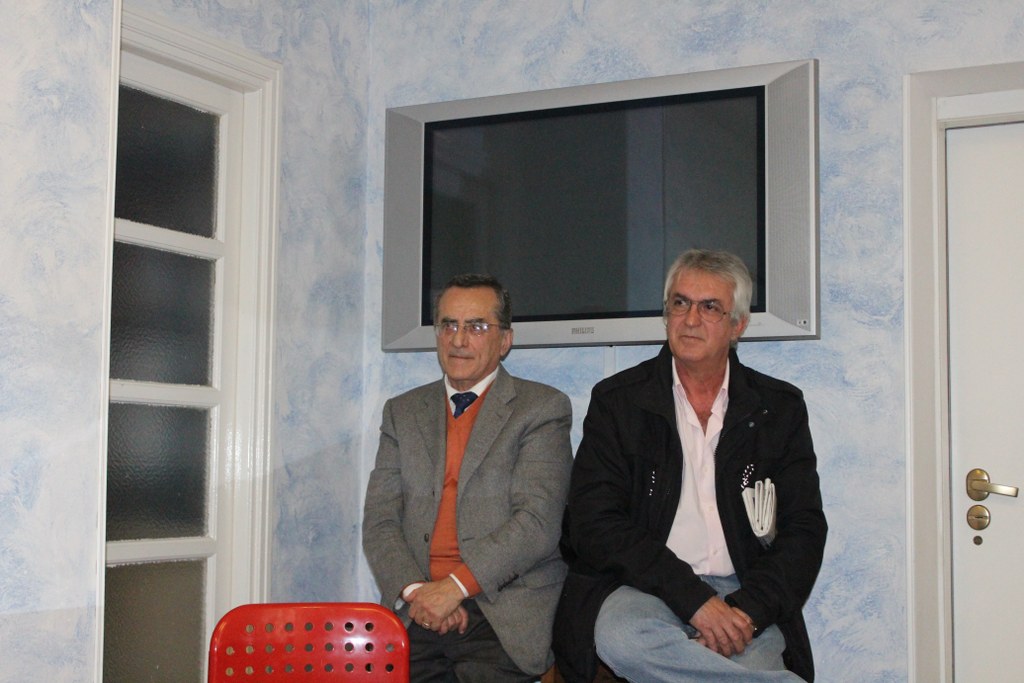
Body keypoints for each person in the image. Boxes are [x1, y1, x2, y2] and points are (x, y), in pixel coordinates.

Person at [553, 249, 827, 683]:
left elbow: (804, 531)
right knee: (622, 638)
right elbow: (594, 523)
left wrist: (746, 613)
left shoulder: (778, 409)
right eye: (680, 303)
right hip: (646, 589)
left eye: (710, 307)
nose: (691, 319)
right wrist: (694, 600)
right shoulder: (619, 402)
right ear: (666, 314)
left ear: (738, 325)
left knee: (753, 663)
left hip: (744, 594)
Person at [363, 273, 574, 683]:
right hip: (417, 608)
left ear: (505, 340)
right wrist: (419, 593)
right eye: (448, 325)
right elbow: (379, 521)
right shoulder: (402, 412)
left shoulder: (541, 409)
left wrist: (454, 588)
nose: (458, 340)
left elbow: (537, 525)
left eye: (476, 326)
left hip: (502, 612)